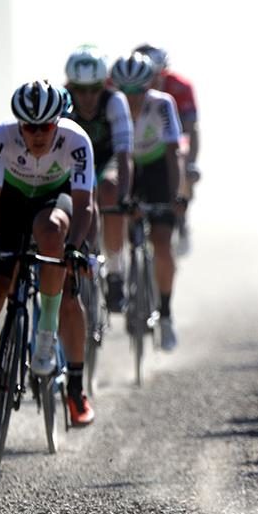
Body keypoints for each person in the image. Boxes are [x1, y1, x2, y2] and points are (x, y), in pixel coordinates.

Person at [0, 81, 96, 439]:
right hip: (10, 205)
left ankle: (46, 332)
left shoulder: (76, 141)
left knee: (51, 234)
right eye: (28, 127)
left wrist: (75, 246)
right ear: (18, 124)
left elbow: (85, 204)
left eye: (45, 127)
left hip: (54, 201)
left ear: (57, 122)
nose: (36, 135)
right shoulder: (1, 138)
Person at [110, 52, 183, 350]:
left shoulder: (162, 104)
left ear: (149, 85)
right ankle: (117, 274)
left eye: (137, 91)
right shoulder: (112, 105)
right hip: (123, 166)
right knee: (118, 215)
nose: (131, 99)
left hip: (155, 170)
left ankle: (165, 314)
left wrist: (175, 196)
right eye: (124, 92)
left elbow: (172, 153)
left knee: (162, 242)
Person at [64, 45, 134, 312]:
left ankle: (116, 270)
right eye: (80, 90)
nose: (88, 96)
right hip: (76, 162)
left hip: (108, 160)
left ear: (104, 85)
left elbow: (125, 153)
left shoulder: (115, 101)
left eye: (94, 88)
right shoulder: (63, 101)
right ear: (71, 86)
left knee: (109, 190)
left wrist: (124, 197)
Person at [134, 43, 200, 251]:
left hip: (173, 135)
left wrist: (190, 163)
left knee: (181, 153)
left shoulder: (180, 86)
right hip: (142, 140)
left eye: (156, 74)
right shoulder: (130, 86)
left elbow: (191, 128)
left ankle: (181, 212)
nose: (152, 80)